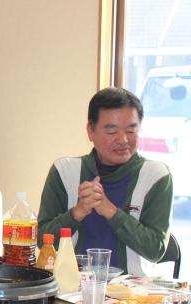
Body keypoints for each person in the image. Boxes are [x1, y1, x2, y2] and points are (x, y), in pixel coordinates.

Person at [38, 87, 173, 277]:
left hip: (136, 290)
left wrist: (111, 211)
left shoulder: (156, 175)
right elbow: (42, 240)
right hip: (73, 286)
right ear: (90, 131)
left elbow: (155, 250)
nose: (123, 140)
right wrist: (77, 212)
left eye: (131, 130)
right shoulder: (65, 170)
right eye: (111, 131)